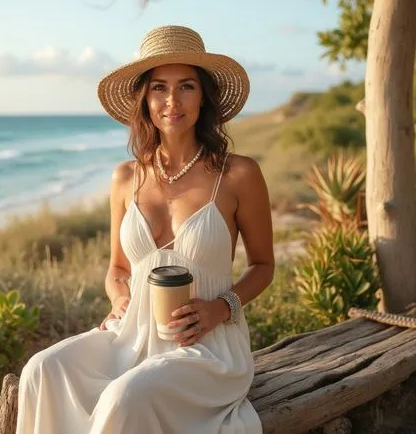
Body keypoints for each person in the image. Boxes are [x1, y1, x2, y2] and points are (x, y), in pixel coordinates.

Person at [16, 25, 274, 434]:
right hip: (128, 333)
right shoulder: (125, 178)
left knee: (126, 397)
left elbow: (262, 265)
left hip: (205, 346)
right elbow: (117, 269)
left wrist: (220, 308)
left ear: (203, 95)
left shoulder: (239, 174)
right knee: (41, 369)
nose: (172, 101)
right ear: (144, 98)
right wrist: (118, 297)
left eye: (186, 86)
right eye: (159, 88)